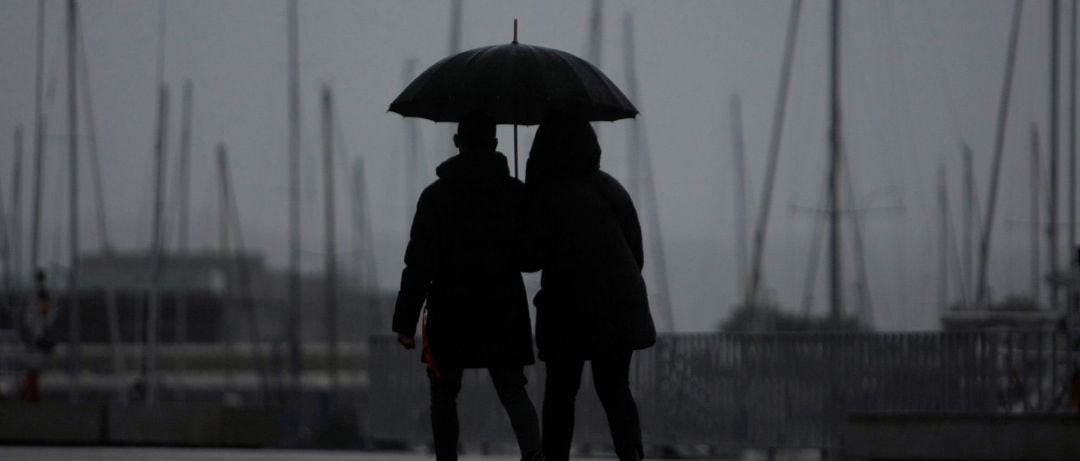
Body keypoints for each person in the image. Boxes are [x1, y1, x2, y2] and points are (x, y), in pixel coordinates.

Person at [392, 116, 541, 461]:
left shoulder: (435, 197)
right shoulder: (515, 195)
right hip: (503, 308)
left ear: (458, 140)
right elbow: (531, 259)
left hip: (450, 307)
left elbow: (418, 264)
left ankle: (448, 458)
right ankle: (534, 455)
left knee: (444, 392)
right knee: (513, 390)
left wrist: (405, 322)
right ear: (496, 143)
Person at [524, 113, 656, 461]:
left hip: (568, 311)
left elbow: (530, 258)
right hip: (620, 308)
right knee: (614, 388)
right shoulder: (612, 189)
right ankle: (632, 456)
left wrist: (527, 194)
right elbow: (636, 256)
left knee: (560, 393)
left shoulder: (549, 196)